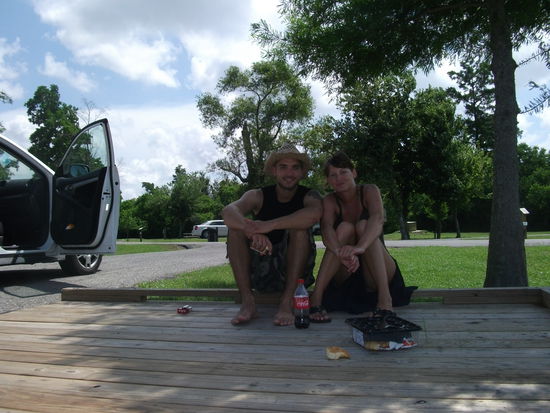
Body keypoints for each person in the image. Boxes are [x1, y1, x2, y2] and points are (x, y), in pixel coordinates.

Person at [309, 152, 416, 323]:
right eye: (333, 175)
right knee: (344, 228)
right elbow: (326, 229)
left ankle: (385, 300)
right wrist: (340, 252)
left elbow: (378, 219)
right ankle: (316, 298)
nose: (339, 178)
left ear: (354, 172)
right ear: (328, 180)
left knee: (363, 226)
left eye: (343, 172)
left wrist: (360, 248)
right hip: (346, 272)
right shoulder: (329, 201)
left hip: (376, 272)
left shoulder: (369, 191)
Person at [222, 144, 323, 326]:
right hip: (261, 270)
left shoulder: (310, 196)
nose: (289, 173)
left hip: (297, 276)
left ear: (302, 172)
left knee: (300, 230)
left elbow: (314, 214)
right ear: (274, 170)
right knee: (235, 231)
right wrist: (251, 231)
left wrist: (269, 225)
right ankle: (248, 302)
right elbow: (228, 211)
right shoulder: (257, 195)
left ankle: (287, 302)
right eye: (283, 167)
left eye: (295, 167)